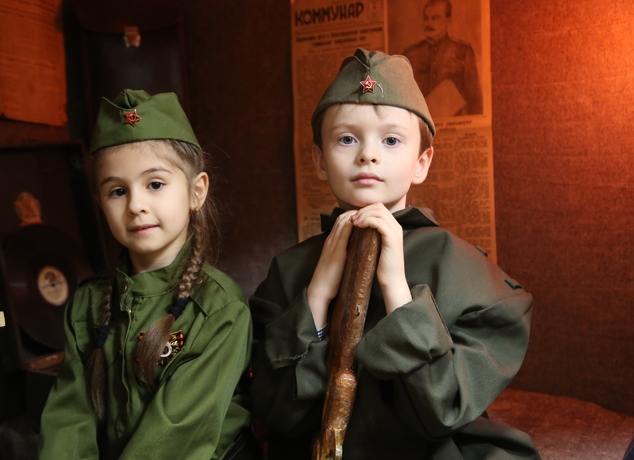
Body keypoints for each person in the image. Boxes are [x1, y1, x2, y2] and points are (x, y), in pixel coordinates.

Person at [249, 48, 540, 459]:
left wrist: (397, 292)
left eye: (390, 140)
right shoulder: (288, 270)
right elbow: (277, 411)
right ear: (319, 160)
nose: (368, 154)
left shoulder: (466, 271)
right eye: (347, 139)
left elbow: (440, 412)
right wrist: (316, 297)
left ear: (422, 162)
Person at [39, 90, 261, 459]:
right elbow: (69, 419)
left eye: (155, 184)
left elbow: (174, 437)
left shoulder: (220, 310)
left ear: (196, 191)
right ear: (100, 203)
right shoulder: (87, 304)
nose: (136, 205)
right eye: (117, 191)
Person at [402, 0, 483, 116]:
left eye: (435, 18)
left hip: (453, 123)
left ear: (448, 20)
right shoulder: (410, 53)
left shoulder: (463, 51)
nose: (429, 23)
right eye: (426, 18)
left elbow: (475, 100)